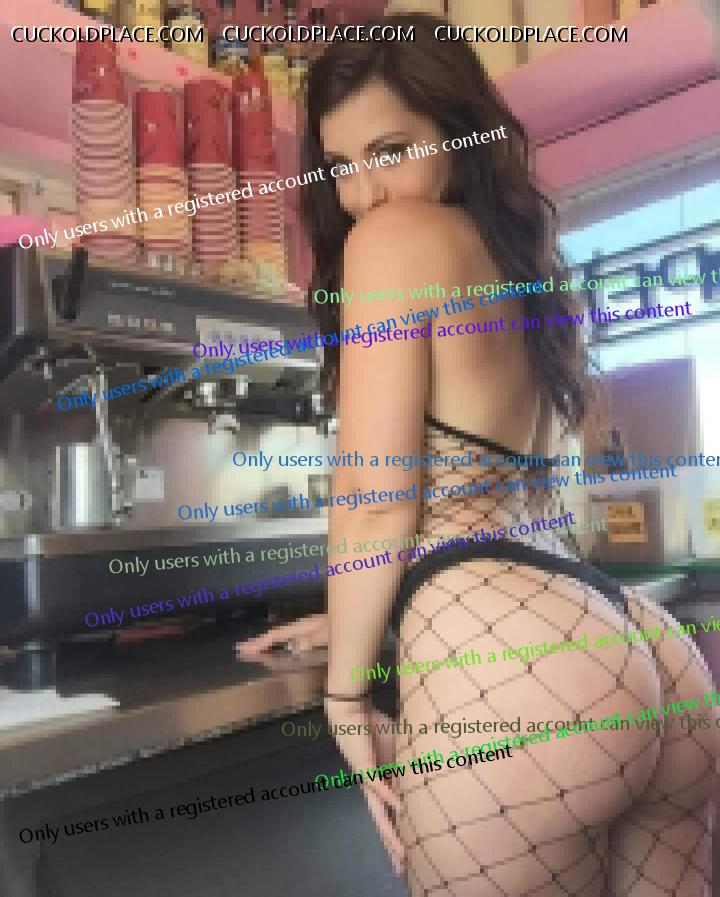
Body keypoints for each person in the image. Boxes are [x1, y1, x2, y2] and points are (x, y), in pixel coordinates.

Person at [238, 13, 718, 895]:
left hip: (515, 682)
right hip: (643, 650)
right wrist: (356, 616)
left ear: (458, 134)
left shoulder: (393, 241)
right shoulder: (522, 261)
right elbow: (486, 509)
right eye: (341, 165)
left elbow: (377, 499)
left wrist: (345, 695)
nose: (365, 193)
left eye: (390, 151)